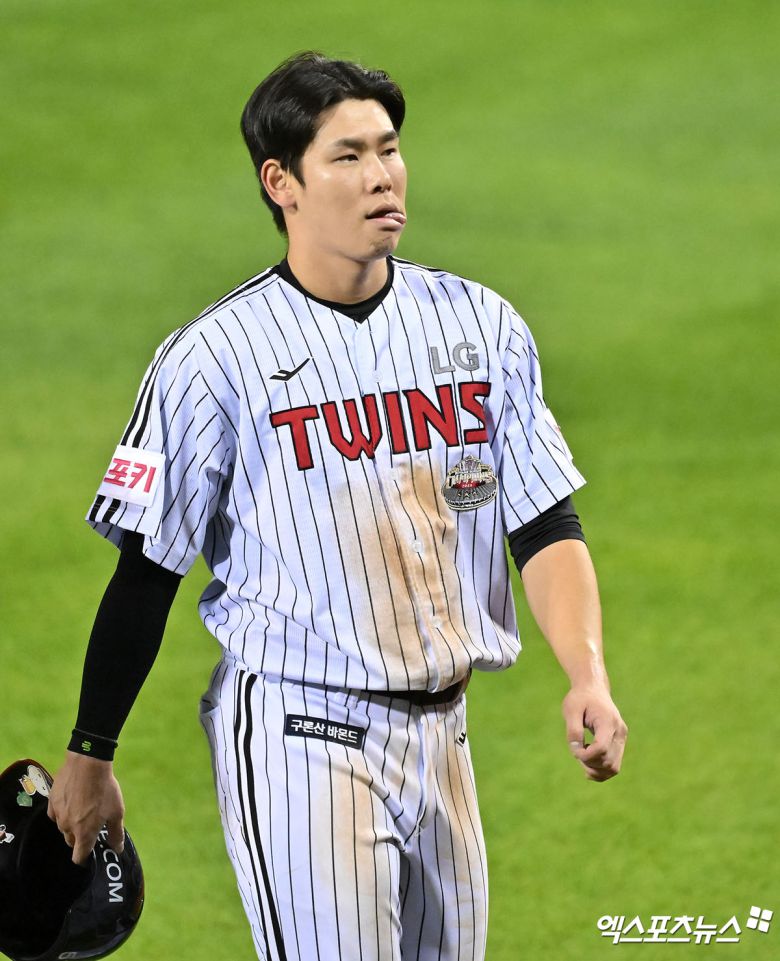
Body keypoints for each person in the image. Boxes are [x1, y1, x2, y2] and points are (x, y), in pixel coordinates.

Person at [48, 51, 628, 961]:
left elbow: (543, 521)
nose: (382, 176)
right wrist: (91, 752)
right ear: (281, 183)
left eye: (388, 149)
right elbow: (147, 572)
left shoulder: (480, 326)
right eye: (348, 157)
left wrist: (586, 673)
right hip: (298, 735)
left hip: (444, 734)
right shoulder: (213, 358)